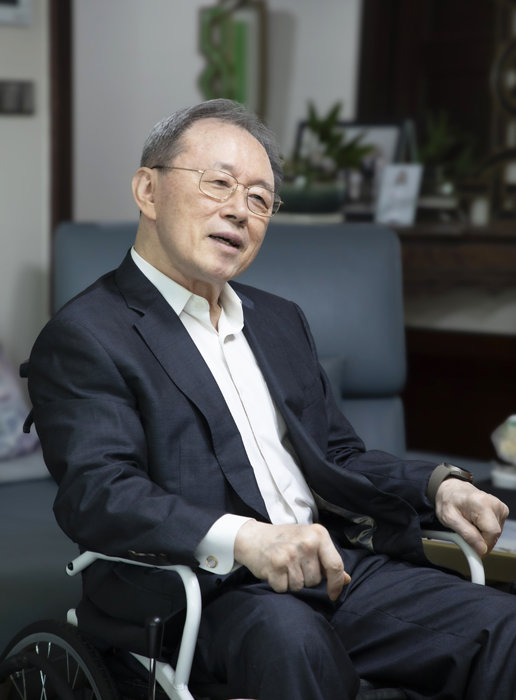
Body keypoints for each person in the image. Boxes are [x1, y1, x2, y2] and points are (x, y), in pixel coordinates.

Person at [26, 99, 516, 700]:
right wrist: (247, 539)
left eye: (260, 199)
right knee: (295, 643)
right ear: (148, 191)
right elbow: (99, 494)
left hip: (333, 570)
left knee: (501, 624)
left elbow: (340, 454)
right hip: (204, 593)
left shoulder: (280, 320)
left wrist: (438, 485)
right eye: (219, 184)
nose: (239, 210)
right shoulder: (87, 336)